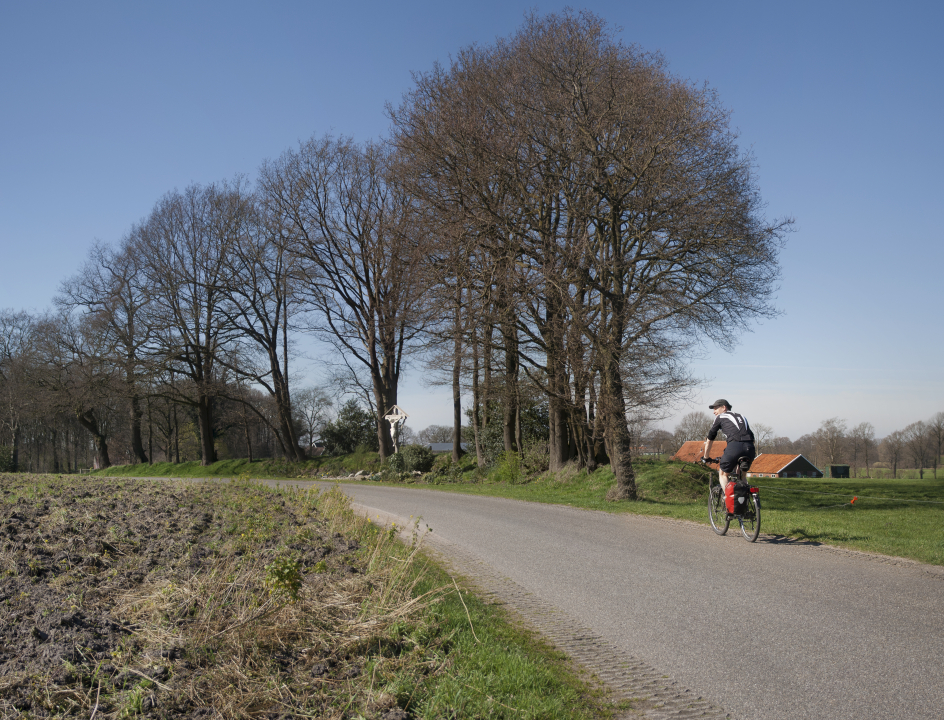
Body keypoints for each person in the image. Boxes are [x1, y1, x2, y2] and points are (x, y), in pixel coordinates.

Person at [702, 399, 755, 500]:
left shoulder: (720, 417)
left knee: (722, 474)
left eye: (716, 408)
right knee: (742, 476)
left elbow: (709, 440)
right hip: (750, 448)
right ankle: (745, 502)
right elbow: (752, 439)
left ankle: (729, 501)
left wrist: (706, 457)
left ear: (724, 407)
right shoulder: (742, 416)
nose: (714, 411)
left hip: (734, 446)